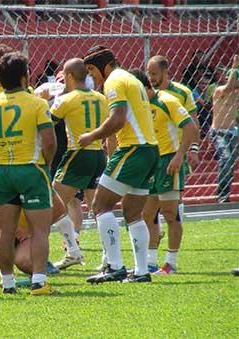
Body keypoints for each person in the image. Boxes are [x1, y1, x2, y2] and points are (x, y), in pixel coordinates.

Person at [0, 52, 57, 295]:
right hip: (31, 169)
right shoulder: (37, 103)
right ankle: (39, 282)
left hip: (3, 172)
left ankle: (8, 282)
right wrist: (46, 163)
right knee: (39, 230)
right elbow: (49, 141)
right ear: (25, 77)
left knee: (5, 231)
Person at [80, 45, 159, 284]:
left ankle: (114, 266)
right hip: (150, 150)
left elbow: (117, 119)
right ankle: (142, 271)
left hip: (133, 149)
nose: (92, 77)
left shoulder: (114, 81)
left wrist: (91, 136)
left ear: (104, 66)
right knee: (133, 213)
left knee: (100, 205)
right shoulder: (130, 79)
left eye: (92, 71)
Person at [0, 152, 69, 287]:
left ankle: (39, 270)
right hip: (6, 233)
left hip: (26, 236)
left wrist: (32, 230)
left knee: (24, 261)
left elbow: (60, 208)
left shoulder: (29, 172)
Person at [131, 69, 199, 275]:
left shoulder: (167, 100)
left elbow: (191, 128)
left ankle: (171, 262)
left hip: (169, 161)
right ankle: (150, 261)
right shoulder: (141, 105)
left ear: (143, 87)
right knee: (147, 214)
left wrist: (180, 156)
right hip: (150, 162)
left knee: (170, 213)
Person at [50, 58, 112, 270]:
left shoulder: (66, 99)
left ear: (68, 76)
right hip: (98, 156)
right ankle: (109, 257)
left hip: (78, 153)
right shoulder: (101, 98)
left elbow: (48, 125)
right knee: (100, 209)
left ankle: (73, 251)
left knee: (54, 202)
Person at [211, 55, 238, 203]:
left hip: (233, 132)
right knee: (226, 159)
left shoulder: (236, 94)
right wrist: (235, 65)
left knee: (230, 163)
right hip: (219, 132)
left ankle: (224, 194)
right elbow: (230, 86)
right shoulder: (219, 90)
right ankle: (222, 195)